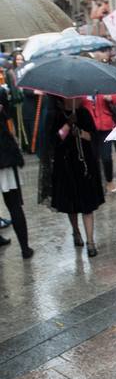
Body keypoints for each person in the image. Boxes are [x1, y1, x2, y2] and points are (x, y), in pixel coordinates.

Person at [39, 97, 104, 257]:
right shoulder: (55, 116)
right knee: (72, 205)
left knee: (87, 205)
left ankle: (90, 242)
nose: (77, 99)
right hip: (66, 168)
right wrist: (68, 125)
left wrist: (80, 133)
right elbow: (54, 140)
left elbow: (93, 137)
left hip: (85, 167)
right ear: (62, 101)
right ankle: (76, 232)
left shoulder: (84, 113)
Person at [0, 86, 33, 258]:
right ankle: (25, 248)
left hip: (4, 155)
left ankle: (25, 248)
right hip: (4, 154)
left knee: (14, 205)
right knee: (14, 205)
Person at [83, 91, 116, 194]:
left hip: (106, 127)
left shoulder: (103, 85)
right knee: (93, 158)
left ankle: (109, 181)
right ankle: (96, 182)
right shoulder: (82, 89)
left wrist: (111, 98)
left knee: (106, 157)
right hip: (89, 128)